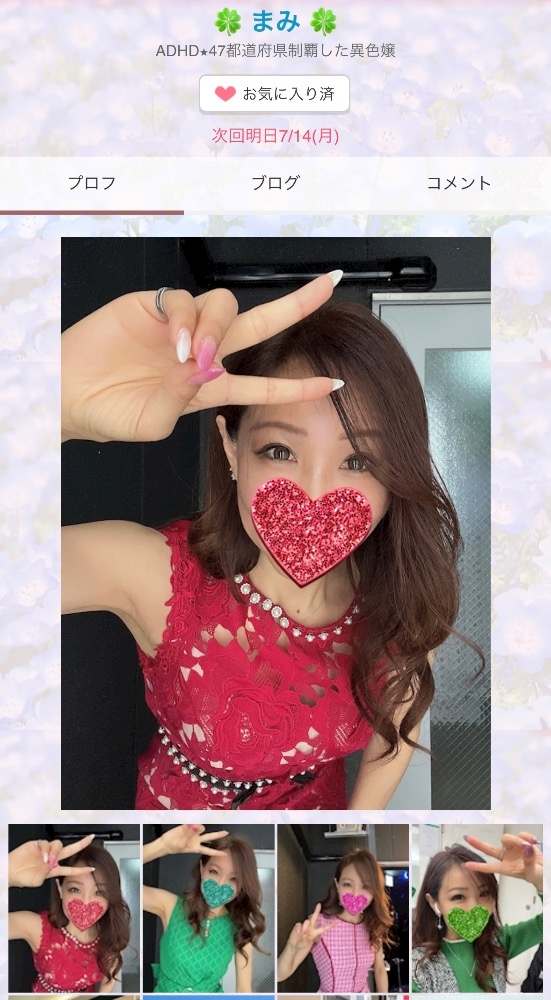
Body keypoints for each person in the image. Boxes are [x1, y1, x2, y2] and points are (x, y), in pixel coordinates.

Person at [62, 272, 471, 809]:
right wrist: (49, 402)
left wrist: (357, 822)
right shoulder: (157, 576)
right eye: (280, 451)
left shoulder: (400, 596)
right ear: (232, 447)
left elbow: (398, 718)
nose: (316, 493)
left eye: (358, 461)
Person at [411, 832, 543, 993]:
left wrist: (542, 880)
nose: (474, 907)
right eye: (458, 897)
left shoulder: (499, 942)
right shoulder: (419, 969)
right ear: (434, 903)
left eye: (484, 893)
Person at [143, 823, 266, 993]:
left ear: (242, 886)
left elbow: (244, 991)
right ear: (202, 869)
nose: (221, 883)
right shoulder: (170, 906)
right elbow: (114, 886)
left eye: (233, 879)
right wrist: (163, 846)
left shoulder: (241, 931)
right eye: (214, 872)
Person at [8, 834, 131, 993]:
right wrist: (6, 875)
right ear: (60, 889)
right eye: (75, 889)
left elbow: (109, 980)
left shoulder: (110, 935)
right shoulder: (37, 928)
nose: (86, 901)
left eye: (99, 892)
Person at [277, 847, 393, 992]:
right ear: (337, 885)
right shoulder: (318, 925)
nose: (355, 893)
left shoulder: (373, 925)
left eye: (365, 886)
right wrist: (291, 947)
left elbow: (380, 969)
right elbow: (280, 975)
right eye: (347, 884)